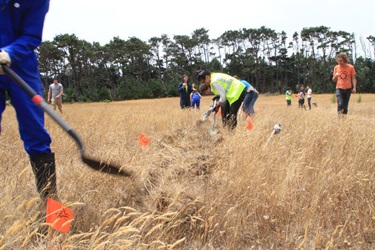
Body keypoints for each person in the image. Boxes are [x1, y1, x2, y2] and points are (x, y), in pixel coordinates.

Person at [0, 1, 58, 206]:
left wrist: (9, 54)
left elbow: (32, 35)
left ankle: (52, 207)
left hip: (21, 65)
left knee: (36, 134)